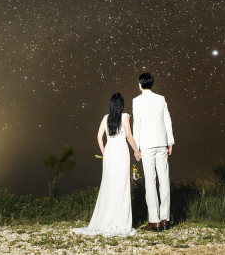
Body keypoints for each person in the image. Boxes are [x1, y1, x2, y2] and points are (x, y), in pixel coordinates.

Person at [71, 92, 139, 237]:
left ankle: (106, 219)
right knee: (121, 184)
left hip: (109, 152)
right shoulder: (125, 116)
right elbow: (128, 136)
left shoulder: (105, 118)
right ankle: (120, 221)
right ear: (121, 105)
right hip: (120, 151)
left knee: (109, 185)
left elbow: (99, 136)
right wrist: (137, 151)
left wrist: (104, 152)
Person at [132, 72, 174, 232]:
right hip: (162, 142)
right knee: (164, 180)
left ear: (140, 84)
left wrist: (136, 148)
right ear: (152, 83)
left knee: (150, 181)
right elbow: (167, 120)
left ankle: (154, 221)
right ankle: (165, 219)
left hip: (147, 145)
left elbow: (137, 125)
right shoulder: (161, 98)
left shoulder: (137, 101)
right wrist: (170, 141)